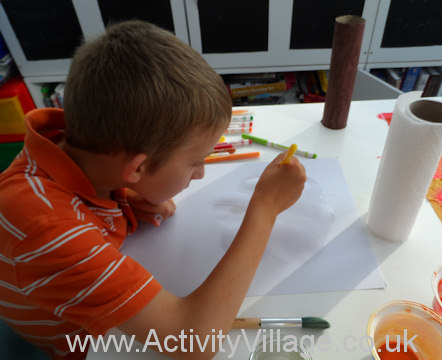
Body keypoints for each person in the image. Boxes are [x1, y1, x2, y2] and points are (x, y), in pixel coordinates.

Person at [0, 20, 306, 359]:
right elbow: (193, 343)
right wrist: (265, 207)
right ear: (137, 168)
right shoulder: (48, 229)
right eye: (196, 161)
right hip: (86, 346)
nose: (201, 173)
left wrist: (120, 198)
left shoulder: (72, 147)